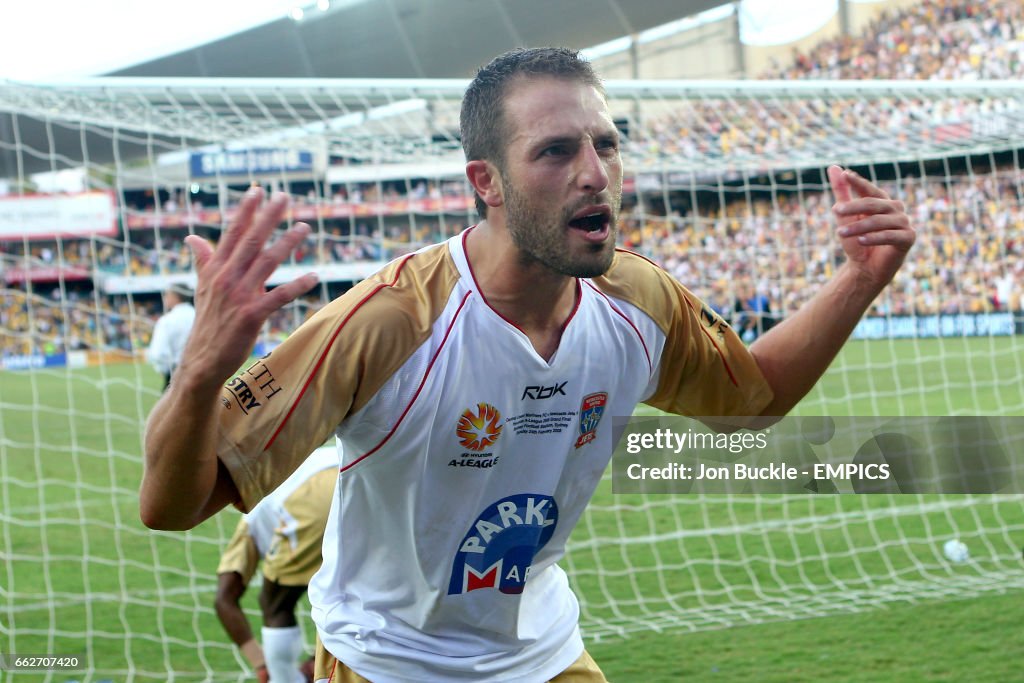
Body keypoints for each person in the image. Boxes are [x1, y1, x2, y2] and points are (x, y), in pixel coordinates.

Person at [140, 47, 914, 682]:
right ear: (487, 183)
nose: (595, 172)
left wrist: (861, 277)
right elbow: (173, 504)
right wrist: (203, 371)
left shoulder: (638, 299)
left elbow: (753, 398)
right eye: (555, 150)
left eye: (605, 142)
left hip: (542, 651)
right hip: (391, 660)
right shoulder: (391, 320)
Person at [214, 446, 336, 683]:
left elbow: (224, 599)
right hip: (357, 474)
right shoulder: (286, 471)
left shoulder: (250, 523)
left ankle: (285, 679)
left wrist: (261, 663)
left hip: (309, 498)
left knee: (274, 604)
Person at [145, 283, 195, 389]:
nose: (164, 298)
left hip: (177, 373)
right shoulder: (199, 316)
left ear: (174, 297)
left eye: (166, 295)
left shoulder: (167, 320)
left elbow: (158, 353)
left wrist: (162, 369)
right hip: (202, 371)